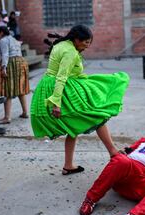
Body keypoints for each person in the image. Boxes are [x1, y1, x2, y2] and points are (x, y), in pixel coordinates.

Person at [30, 25, 129, 175]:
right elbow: (61, 77)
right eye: (86, 42)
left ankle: (68, 165)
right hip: (60, 89)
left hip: (51, 85)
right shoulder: (70, 51)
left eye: (89, 42)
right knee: (96, 115)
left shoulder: (61, 44)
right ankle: (113, 151)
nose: (87, 46)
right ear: (76, 39)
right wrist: (56, 103)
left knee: (74, 125)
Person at [0, 26, 29, 124]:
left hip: (11, 63)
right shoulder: (15, 40)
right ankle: (25, 112)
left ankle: (7, 117)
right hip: (21, 63)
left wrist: (4, 67)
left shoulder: (3, 40)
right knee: (20, 89)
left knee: (7, 89)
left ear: (0, 33)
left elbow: (5, 54)